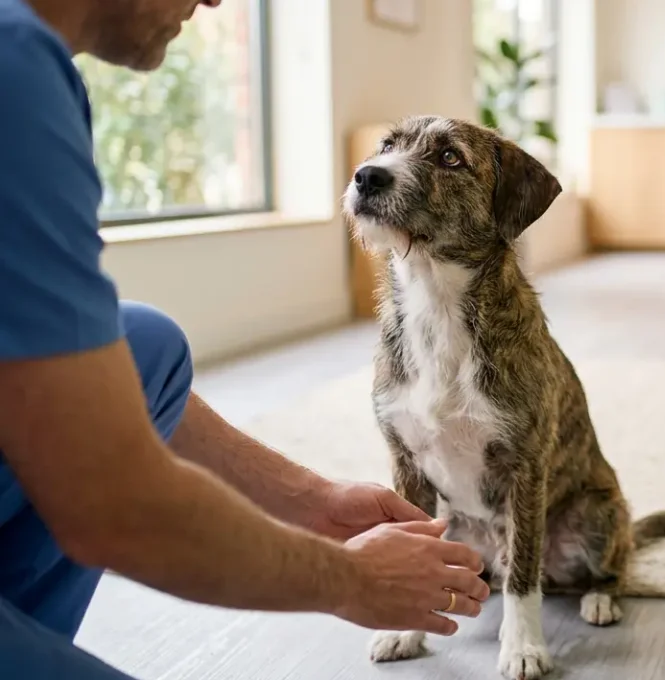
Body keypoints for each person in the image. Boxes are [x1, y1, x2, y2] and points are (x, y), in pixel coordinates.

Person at [0, 0, 491, 677]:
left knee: (144, 344)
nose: (216, 2)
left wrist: (311, 502)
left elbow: (67, 380)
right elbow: (113, 504)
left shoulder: (37, 67)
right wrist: (351, 580)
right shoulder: (14, 70)